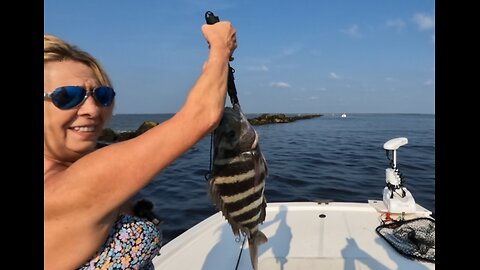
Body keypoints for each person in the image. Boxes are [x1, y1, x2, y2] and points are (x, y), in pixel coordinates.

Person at [44, 21, 237, 270]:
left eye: (102, 95)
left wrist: (214, 73)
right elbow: (201, 117)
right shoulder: (69, 187)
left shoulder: (78, 167)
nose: (92, 109)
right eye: (67, 96)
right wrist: (221, 47)